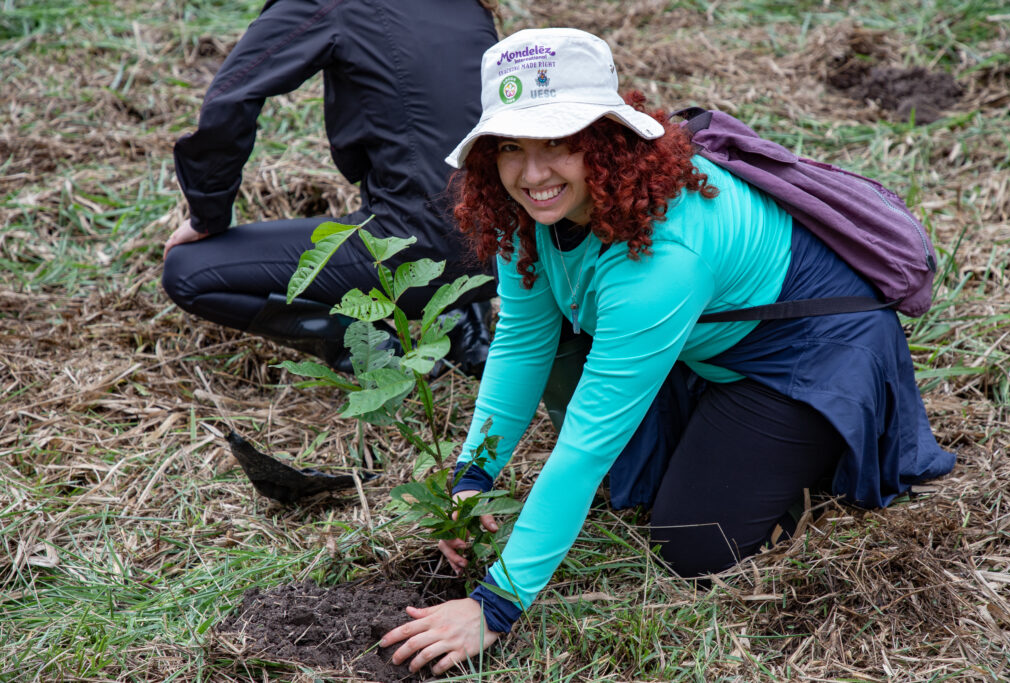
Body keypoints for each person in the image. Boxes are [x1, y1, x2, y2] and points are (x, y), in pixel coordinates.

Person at [380, 27, 955, 675]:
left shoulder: (660, 259)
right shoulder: (526, 217)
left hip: (808, 347)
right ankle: (710, 432)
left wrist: (496, 605)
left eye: (559, 144)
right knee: (629, 467)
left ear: (605, 143)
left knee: (693, 545)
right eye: (510, 147)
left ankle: (793, 461)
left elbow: (587, 442)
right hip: (698, 343)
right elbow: (520, 343)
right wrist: (471, 477)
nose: (533, 173)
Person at [161, 0, 499, 377]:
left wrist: (208, 213)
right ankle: (463, 320)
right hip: (504, 249)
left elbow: (232, 97)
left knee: (187, 272)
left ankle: (381, 351)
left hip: (421, 245)